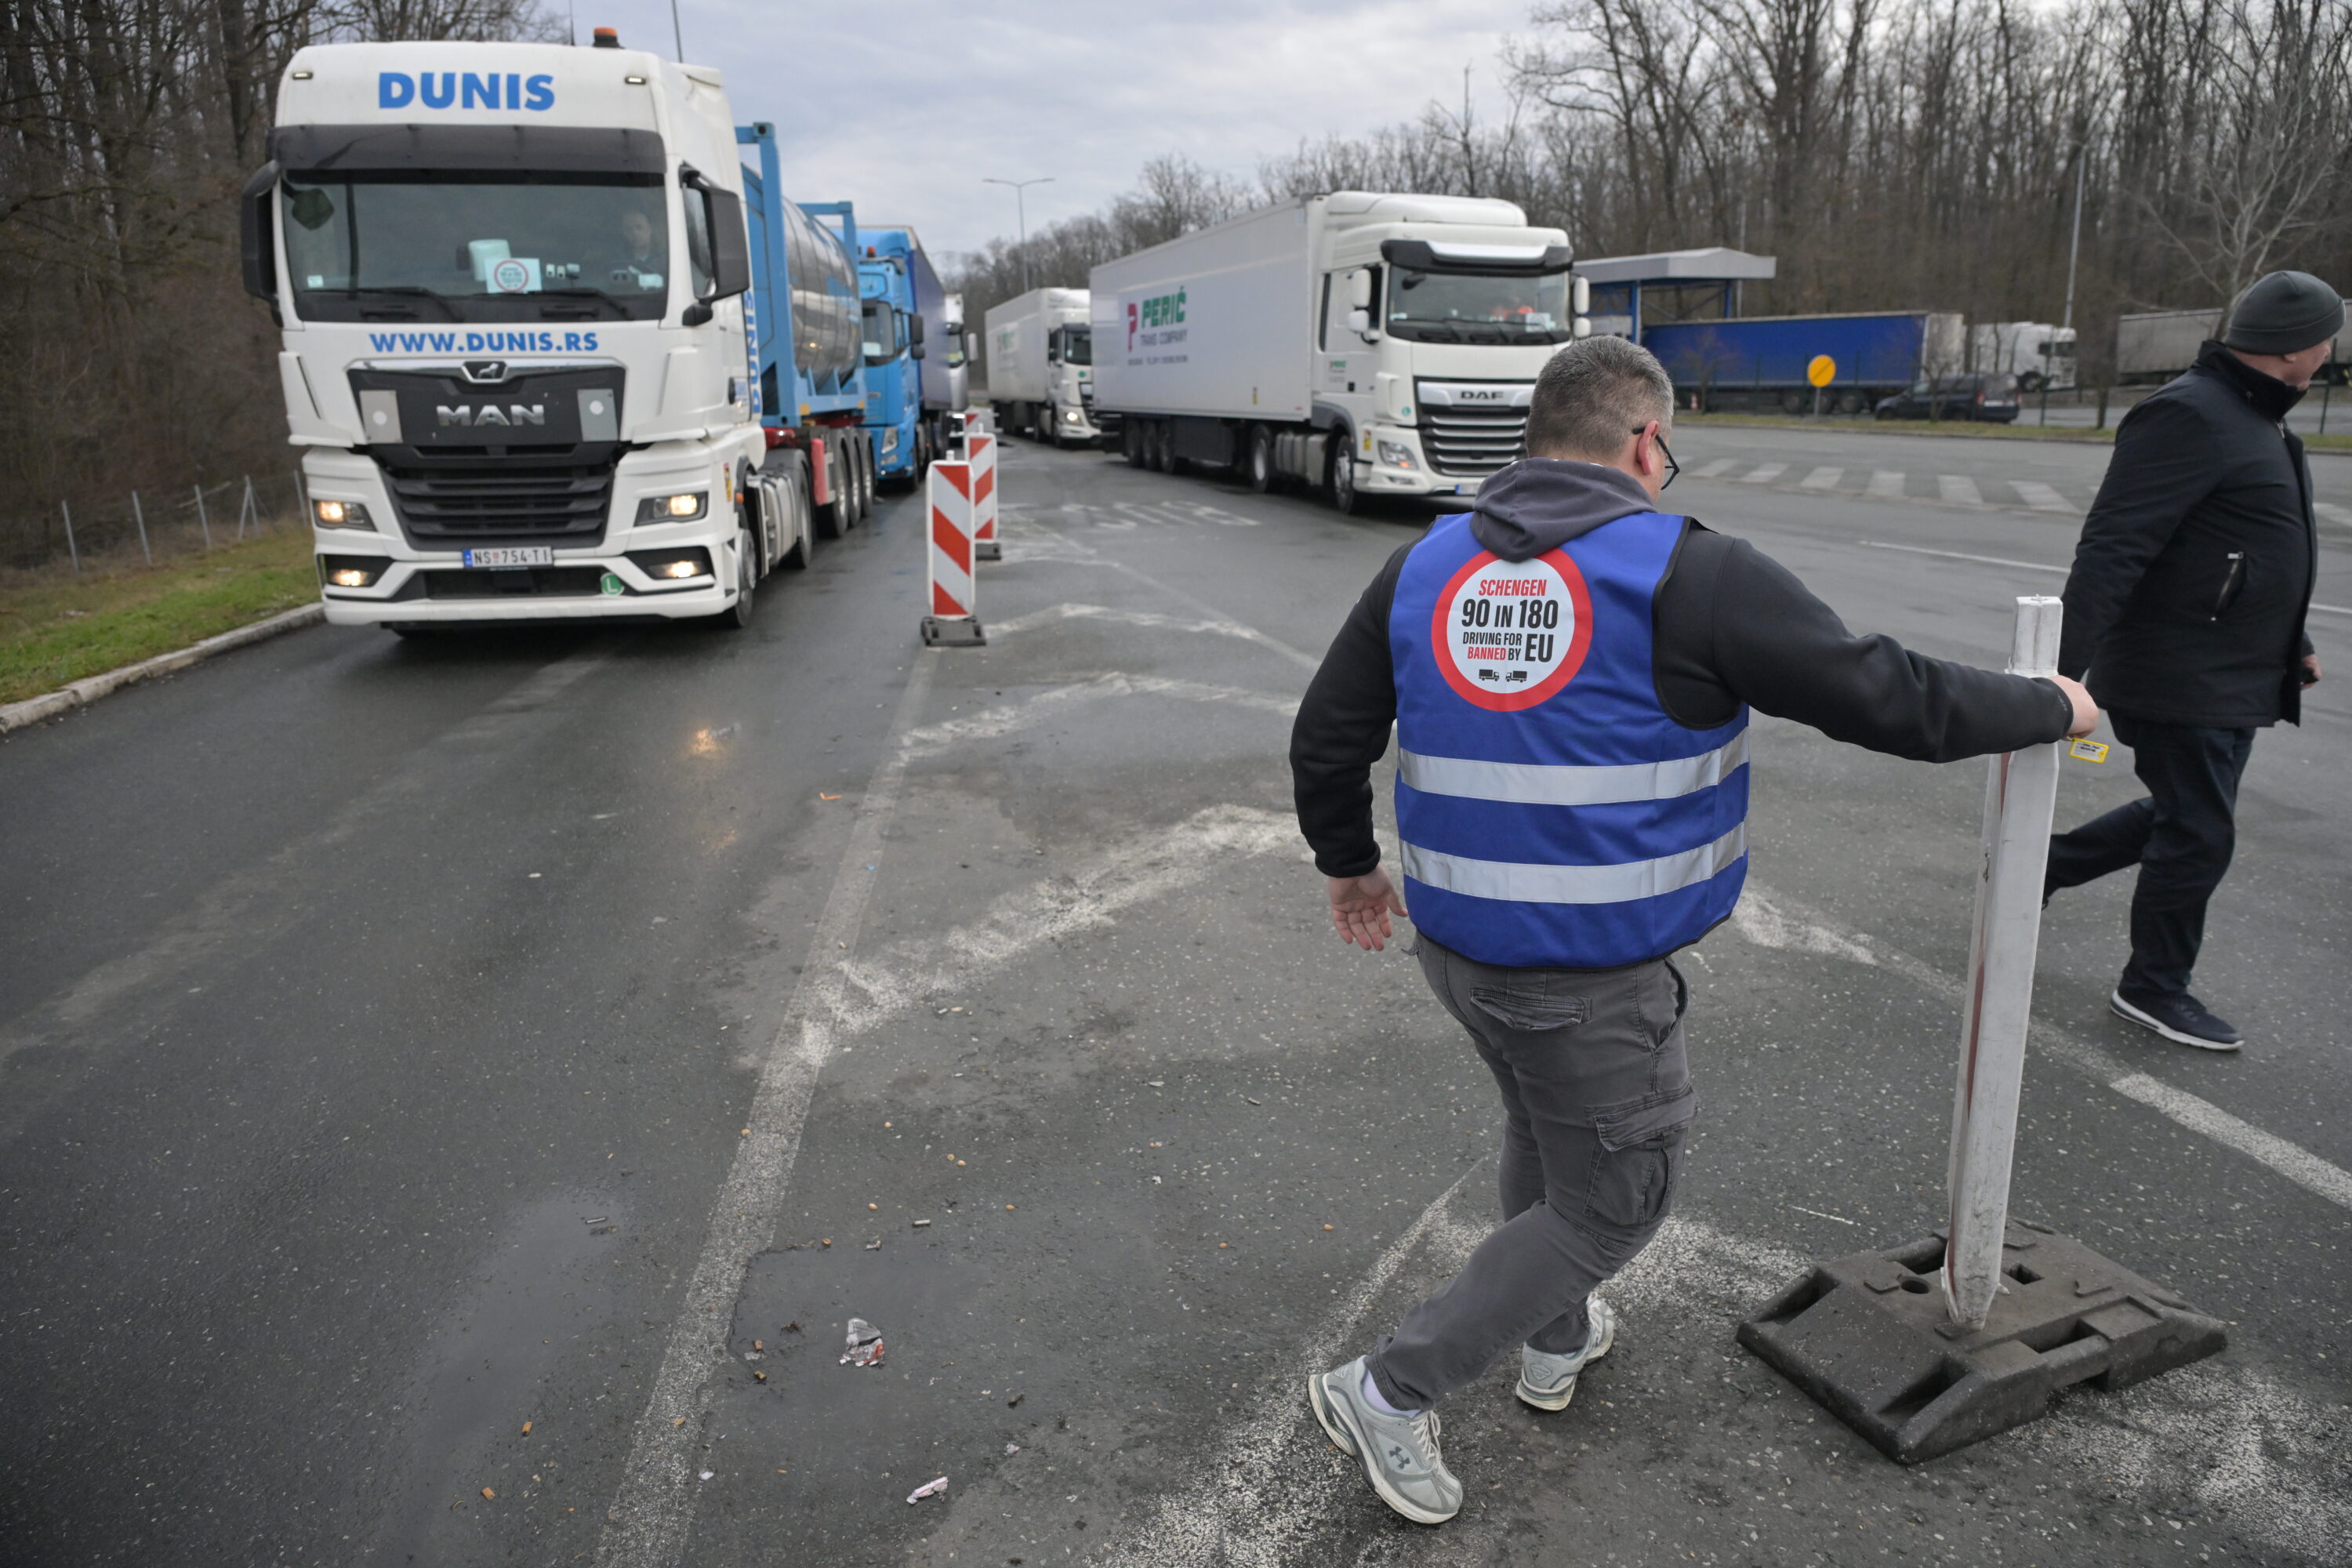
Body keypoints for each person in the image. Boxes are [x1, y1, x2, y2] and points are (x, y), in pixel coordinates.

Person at [1287, 335, 2097, 1525]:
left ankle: (1555, 1335)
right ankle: (1390, 1387)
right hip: (1589, 975)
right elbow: (1886, 695)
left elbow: (1326, 734)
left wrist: (1349, 865)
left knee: (1548, 1140)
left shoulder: (1426, 563)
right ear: (1645, 442)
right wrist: (2049, 705)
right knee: (1613, 1199)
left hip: (1462, 955)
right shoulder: (1687, 570)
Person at [2044, 270, 2336, 1051]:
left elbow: (2248, 550)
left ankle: (2045, 867)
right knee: (2199, 831)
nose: (2332, 352)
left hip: (2234, 670)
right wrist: (2060, 676)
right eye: (2329, 339)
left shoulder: (2260, 418)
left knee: (2185, 815)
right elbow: (2114, 547)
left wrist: (2295, 643)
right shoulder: (2190, 414)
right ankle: (2152, 987)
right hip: (2180, 673)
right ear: (2299, 348)